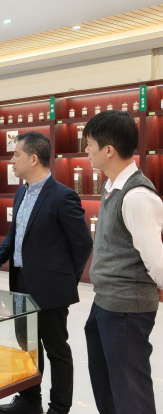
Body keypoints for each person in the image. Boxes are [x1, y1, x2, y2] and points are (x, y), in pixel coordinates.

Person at [0, 131, 92, 414]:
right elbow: (15, 236)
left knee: (57, 350)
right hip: (20, 283)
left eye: (15, 154)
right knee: (27, 346)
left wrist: (65, 278)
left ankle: (59, 409)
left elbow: (83, 244)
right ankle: (30, 401)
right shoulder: (22, 192)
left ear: (33, 159)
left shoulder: (63, 196)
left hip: (51, 289)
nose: (11, 160)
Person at [83, 110, 163, 414]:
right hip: (105, 302)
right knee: (106, 381)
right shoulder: (111, 186)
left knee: (130, 390)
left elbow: (156, 260)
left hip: (127, 308)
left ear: (108, 150)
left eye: (90, 144)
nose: (87, 150)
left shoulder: (137, 195)